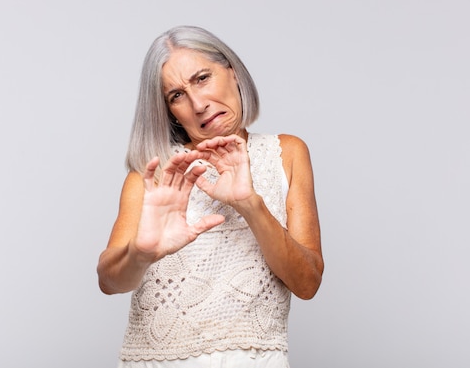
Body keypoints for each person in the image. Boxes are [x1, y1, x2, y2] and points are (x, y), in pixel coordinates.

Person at [97, 25, 323, 367]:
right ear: (169, 110)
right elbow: (109, 281)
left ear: (232, 72)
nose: (198, 104)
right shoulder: (156, 173)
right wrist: (141, 254)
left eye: (202, 78)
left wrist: (249, 204)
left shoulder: (286, 153)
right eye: (176, 95)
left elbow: (307, 284)